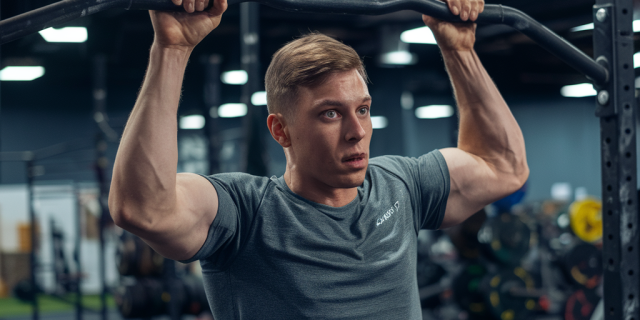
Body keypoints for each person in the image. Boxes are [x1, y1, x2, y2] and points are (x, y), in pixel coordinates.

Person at [108, 0, 529, 318]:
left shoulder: (401, 185)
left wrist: (459, 50)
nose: (357, 130)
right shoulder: (246, 213)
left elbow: (502, 166)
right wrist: (172, 48)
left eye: (362, 109)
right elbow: (143, 209)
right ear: (280, 130)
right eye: (331, 113)